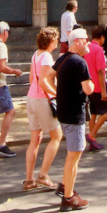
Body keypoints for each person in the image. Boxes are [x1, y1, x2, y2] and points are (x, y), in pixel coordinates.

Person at [50, 28, 95, 210]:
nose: (88, 42)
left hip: (63, 112)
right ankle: (68, 198)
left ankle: (64, 186)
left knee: (73, 153)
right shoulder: (80, 62)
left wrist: (58, 92)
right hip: (75, 114)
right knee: (74, 155)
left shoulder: (62, 59)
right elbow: (88, 89)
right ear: (77, 42)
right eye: (86, 39)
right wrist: (92, 83)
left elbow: (48, 76)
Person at [23, 27, 62, 190]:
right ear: (51, 41)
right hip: (41, 99)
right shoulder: (46, 56)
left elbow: (32, 78)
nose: (57, 42)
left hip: (31, 98)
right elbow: (43, 82)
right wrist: (58, 94)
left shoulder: (36, 54)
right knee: (56, 136)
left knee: (35, 139)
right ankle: (43, 174)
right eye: (56, 39)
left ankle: (29, 179)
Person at [0, 22, 22, 157]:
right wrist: (14, 71)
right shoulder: (1, 46)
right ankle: (2, 144)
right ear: (5, 32)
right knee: (10, 111)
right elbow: (2, 67)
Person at [84, 25, 107, 151]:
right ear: (102, 37)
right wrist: (104, 91)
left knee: (93, 113)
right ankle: (92, 135)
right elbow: (100, 71)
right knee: (106, 112)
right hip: (98, 86)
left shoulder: (87, 47)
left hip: (88, 85)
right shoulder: (98, 49)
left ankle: (92, 141)